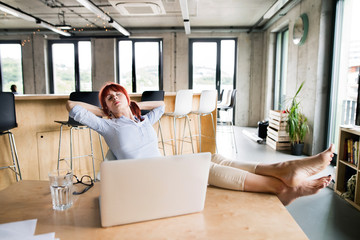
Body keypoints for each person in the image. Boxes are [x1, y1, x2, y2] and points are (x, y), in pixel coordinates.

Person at [66, 82, 333, 206]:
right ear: (106, 107)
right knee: (206, 167)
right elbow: (71, 106)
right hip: (147, 177)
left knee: (213, 157)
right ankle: (280, 185)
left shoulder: (143, 121)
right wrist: (105, 112)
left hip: (162, 167)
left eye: (118, 94)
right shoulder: (107, 125)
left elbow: (160, 104)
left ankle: (284, 170)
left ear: (127, 97)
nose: (114, 97)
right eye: (109, 98)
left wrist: (133, 106)